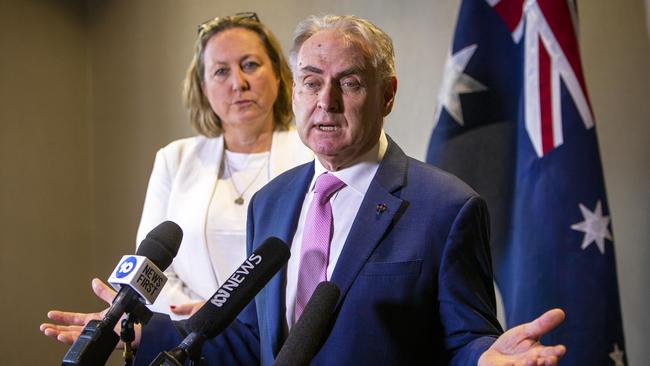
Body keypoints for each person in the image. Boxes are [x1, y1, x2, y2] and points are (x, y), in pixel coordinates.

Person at [41, 14, 567, 365]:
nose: (327, 101)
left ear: (387, 95)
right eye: (312, 82)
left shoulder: (447, 207)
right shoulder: (272, 203)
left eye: (351, 83)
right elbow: (249, 338)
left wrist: (485, 358)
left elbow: (461, 338)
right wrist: (135, 329)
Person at [135, 12, 312, 319]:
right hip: (191, 340)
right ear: (204, 88)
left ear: (279, 74)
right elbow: (148, 273)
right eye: (220, 72)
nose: (238, 83)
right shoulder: (173, 160)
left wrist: (234, 315)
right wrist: (200, 319)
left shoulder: (314, 154)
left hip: (286, 335)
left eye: (250, 65)